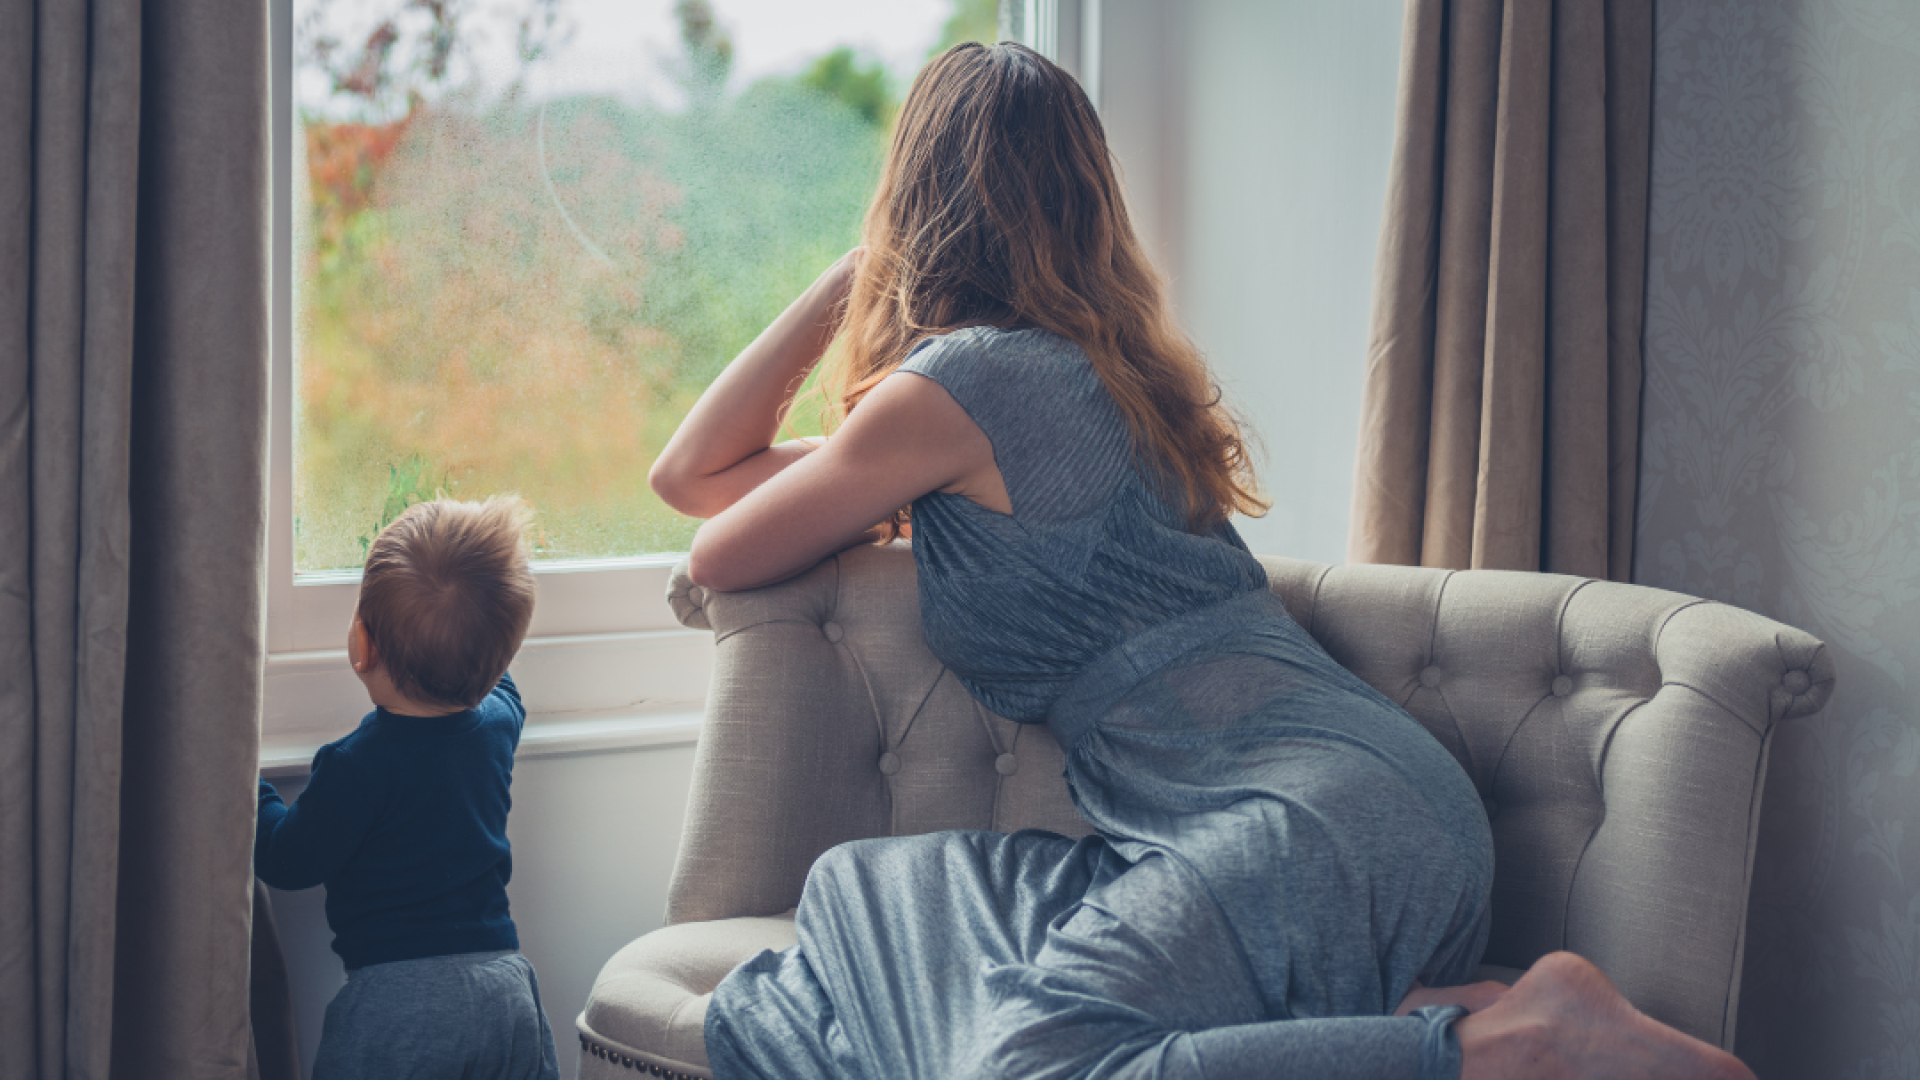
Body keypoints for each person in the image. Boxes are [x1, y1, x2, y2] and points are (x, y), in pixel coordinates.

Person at [649, 41, 1753, 1080]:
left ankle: (1503, 1045)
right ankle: (1429, 1011)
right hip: (1380, 813)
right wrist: (864, 272)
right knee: (873, 898)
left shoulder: (960, 389)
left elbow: (710, 532)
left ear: (916, 201)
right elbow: (702, 478)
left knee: (1032, 1060)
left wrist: (858, 270)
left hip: (1295, 826)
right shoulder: (1098, 379)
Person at [254, 497, 558, 1080]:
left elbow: (288, 859)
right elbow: (502, 683)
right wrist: (484, 629)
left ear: (361, 646)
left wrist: (255, 791)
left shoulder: (355, 765)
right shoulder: (497, 725)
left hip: (400, 1006)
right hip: (506, 989)